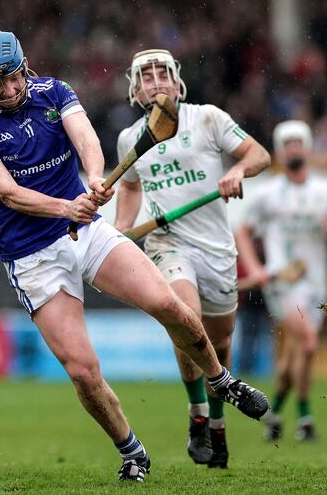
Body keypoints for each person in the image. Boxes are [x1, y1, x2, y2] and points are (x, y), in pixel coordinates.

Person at [0, 31, 269, 483]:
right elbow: (6, 191)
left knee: (167, 305)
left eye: (11, 78)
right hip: (33, 255)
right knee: (83, 371)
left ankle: (221, 382)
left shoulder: (54, 92)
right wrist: (66, 206)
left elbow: (85, 138)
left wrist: (95, 179)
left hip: (87, 231)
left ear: (25, 67)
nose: (5, 90)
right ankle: (132, 451)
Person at [113, 49, 272, 469]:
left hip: (217, 248)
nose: (155, 81)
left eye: (161, 72)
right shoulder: (131, 138)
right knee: (185, 317)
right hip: (167, 242)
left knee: (219, 343)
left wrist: (238, 172)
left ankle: (216, 425)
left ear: (176, 80)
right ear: (135, 88)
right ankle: (197, 413)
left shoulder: (208, 118)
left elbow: (259, 155)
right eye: (145, 76)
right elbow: (129, 187)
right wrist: (120, 231)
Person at [236, 119, 327, 442]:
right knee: (309, 341)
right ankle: (305, 417)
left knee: (293, 356)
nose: (294, 149)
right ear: (280, 151)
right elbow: (243, 231)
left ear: (308, 147)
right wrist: (255, 267)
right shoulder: (268, 194)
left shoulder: (326, 191)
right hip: (282, 281)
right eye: (288, 144)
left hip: (315, 282)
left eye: (299, 143)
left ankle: (275, 415)